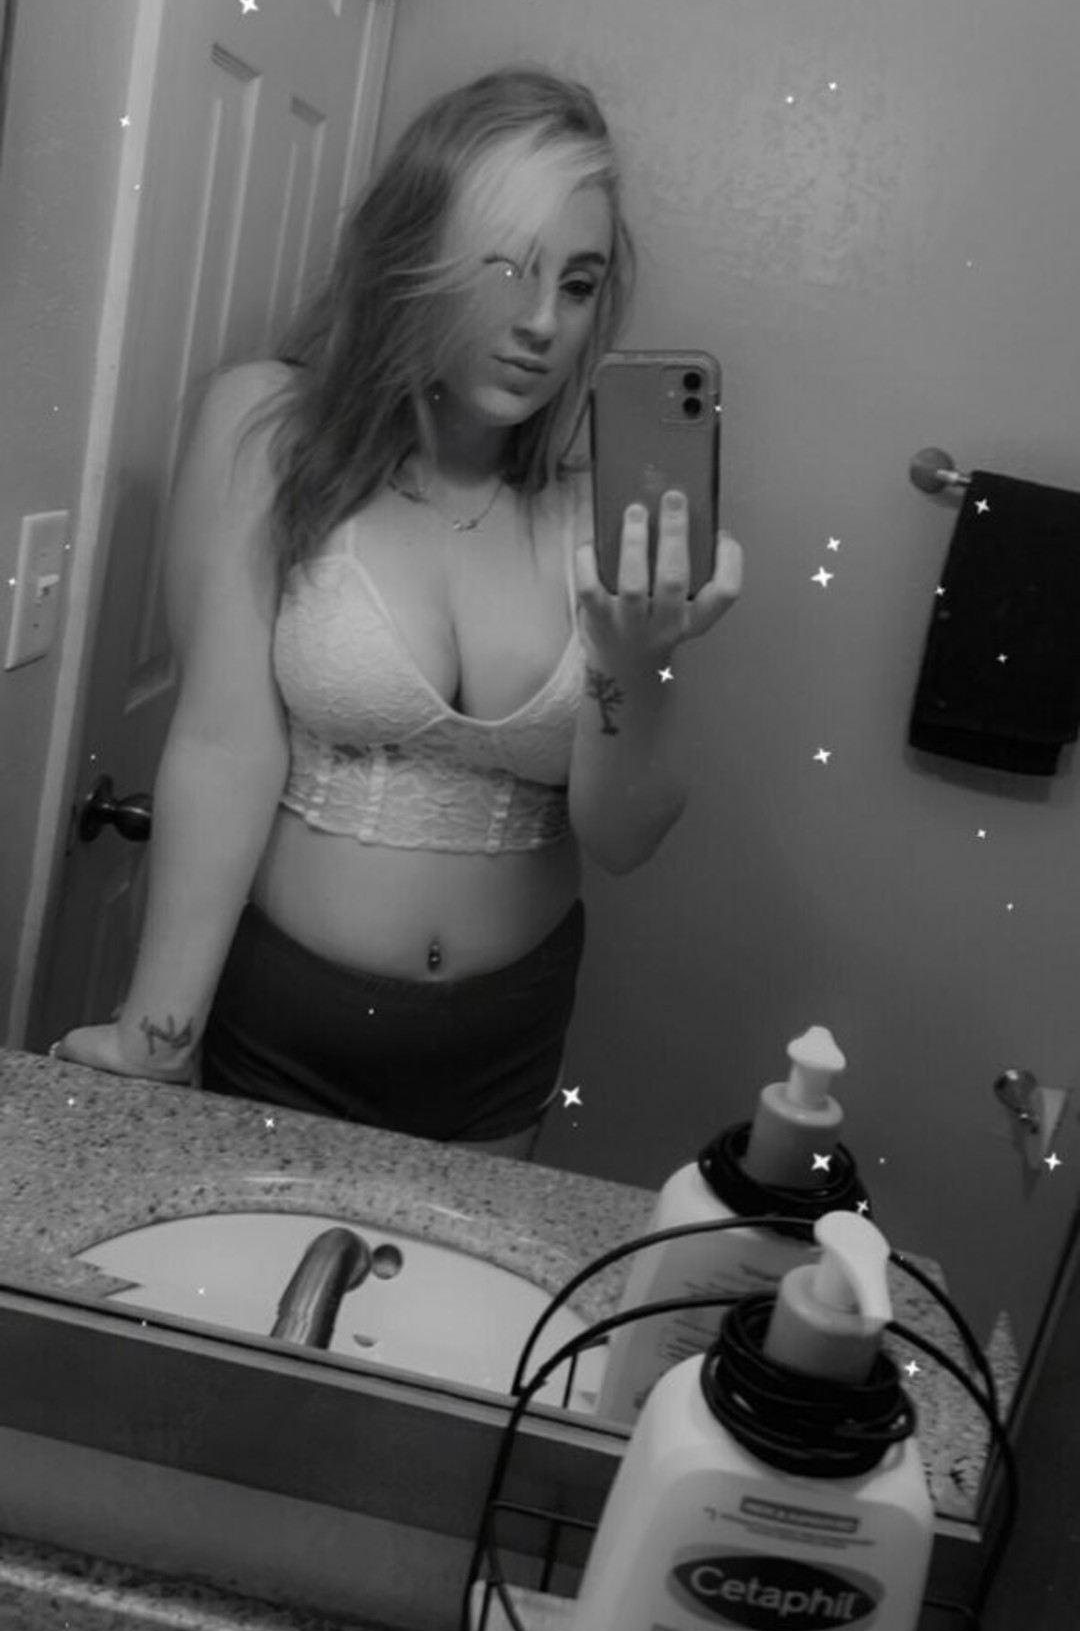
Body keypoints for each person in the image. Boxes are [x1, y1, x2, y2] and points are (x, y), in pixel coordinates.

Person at [55, 66, 742, 1157]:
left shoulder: (598, 514)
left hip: (502, 1053)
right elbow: (224, 747)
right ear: (414, 253)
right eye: (506, 267)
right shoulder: (271, 431)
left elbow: (624, 837)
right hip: (275, 1024)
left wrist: (635, 661)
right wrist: (155, 1031)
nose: (541, 322)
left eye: (577, 284)